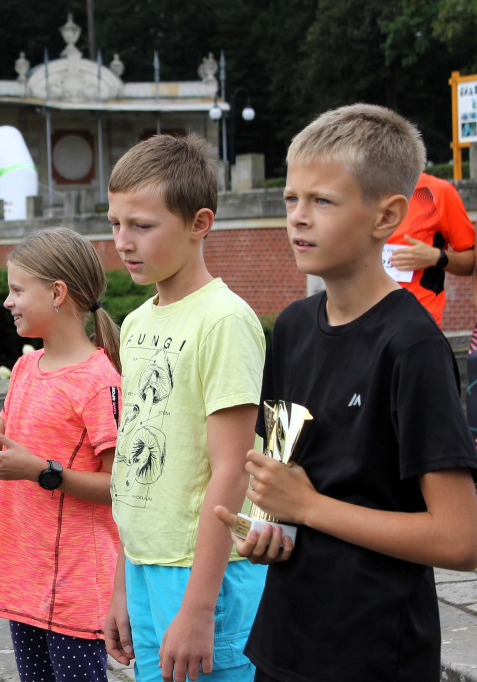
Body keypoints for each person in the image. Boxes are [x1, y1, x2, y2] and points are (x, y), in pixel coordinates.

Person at [215, 104, 477, 681]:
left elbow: (461, 539)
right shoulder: (292, 327)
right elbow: (284, 474)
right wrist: (268, 527)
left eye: (322, 201)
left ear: (387, 217)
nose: (297, 217)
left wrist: (308, 508)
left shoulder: (411, 345)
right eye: (291, 198)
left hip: (373, 651)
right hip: (284, 641)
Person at [103, 134, 267, 682]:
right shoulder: (136, 323)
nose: (123, 242)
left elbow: (232, 468)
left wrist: (198, 607)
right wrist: (122, 584)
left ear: (200, 223)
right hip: (146, 567)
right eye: (115, 223)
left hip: (207, 575)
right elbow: (132, 465)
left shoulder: (224, 321)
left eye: (142, 226)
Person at [0, 227, 123, 681]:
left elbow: (120, 488)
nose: (7, 302)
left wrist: (41, 472)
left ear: (57, 293)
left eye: (17, 290)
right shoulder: (24, 367)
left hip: (76, 588)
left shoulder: (100, 380)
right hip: (24, 580)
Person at [385, 171, 474, 327]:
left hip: (416, 323)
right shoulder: (354, 189)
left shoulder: (438, 191)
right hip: (358, 320)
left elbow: (471, 262)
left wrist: (436, 257)